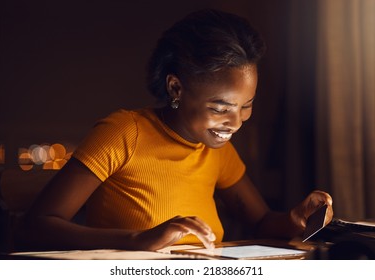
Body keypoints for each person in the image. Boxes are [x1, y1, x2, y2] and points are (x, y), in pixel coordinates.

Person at [16, 9, 333, 252]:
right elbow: (38, 225)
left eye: (246, 105)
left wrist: (293, 220)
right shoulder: (124, 132)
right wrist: (139, 239)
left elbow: (261, 221)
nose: (235, 123)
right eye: (220, 108)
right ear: (176, 87)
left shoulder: (216, 149)